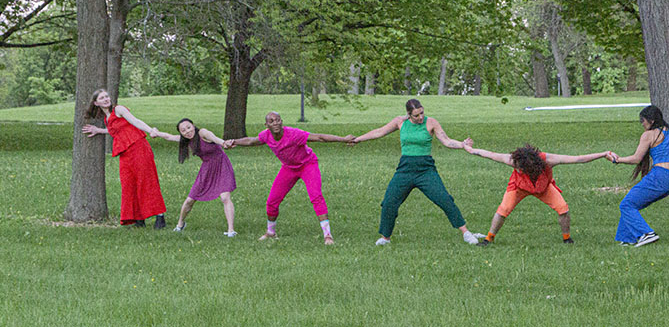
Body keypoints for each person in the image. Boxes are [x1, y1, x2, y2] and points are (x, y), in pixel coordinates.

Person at [350, 98, 480, 246]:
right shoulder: (400, 122)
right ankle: (385, 238)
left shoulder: (431, 122)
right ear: (408, 114)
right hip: (405, 170)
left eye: (422, 113)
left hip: (426, 170)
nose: (420, 117)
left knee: (444, 199)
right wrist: (357, 139)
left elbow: (446, 140)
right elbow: (379, 132)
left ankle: (466, 233)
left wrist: (462, 145)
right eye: (416, 115)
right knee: (389, 202)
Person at [224, 112, 353, 244]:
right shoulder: (266, 135)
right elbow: (251, 141)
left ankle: (328, 236)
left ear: (282, 121)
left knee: (316, 197)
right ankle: (271, 232)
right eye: (272, 121)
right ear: (266, 125)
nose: (276, 123)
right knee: (272, 201)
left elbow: (319, 137)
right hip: (289, 168)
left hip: (307, 165)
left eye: (278, 120)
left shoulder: (293, 134)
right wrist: (234, 141)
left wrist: (343, 139)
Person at [464, 141, 612, 245]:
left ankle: (567, 238)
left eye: (521, 169)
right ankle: (489, 238)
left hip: (543, 187)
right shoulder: (513, 161)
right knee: (503, 210)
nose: (518, 170)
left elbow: (578, 159)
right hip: (518, 188)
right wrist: (470, 149)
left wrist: (603, 154)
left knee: (563, 209)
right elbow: (489, 154)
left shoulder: (548, 160)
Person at [607, 105, 669, 247]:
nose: (642, 124)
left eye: (642, 120)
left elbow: (636, 159)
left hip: (659, 175)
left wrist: (617, 160)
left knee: (626, 205)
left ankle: (646, 234)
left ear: (651, 121)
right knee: (633, 203)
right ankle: (626, 238)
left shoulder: (649, 135)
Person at [81, 89, 167, 228]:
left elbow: (135, 121)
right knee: (129, 184)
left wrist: (150, 130)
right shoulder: (106, 118)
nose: (106, 99)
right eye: (102, 98)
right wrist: (99, 130)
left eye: (107, 96)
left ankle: (160, 217)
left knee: (147, 180)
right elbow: (116, 130)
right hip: (125, 154)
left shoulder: (119, 109)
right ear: (96, 103)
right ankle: (138, 219)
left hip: (138, 147)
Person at [151, 118, 237, 237]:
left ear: (193, 126)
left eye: (188, 127)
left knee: (225, 197)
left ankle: (231, 231)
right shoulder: (186, 140)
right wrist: (156, 132)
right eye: (183, 130)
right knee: (190, 199)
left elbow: (213, 137)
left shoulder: (202, 133)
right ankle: (180, 225)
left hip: (221, 164)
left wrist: (223, 143)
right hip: (206, 169)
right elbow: (168, 136)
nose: (187, 131)